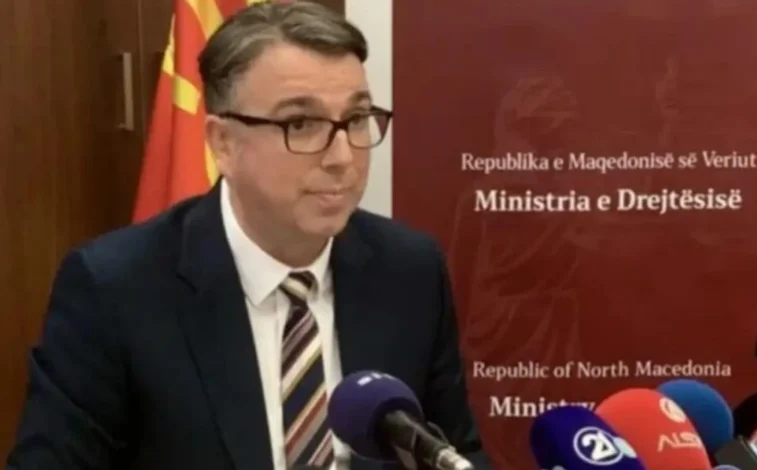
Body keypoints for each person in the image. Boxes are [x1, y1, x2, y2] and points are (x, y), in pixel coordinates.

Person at [5, 2, 490, 469]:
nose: (343, 157)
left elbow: (452, 451)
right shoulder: (116, 289)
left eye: (357, 119)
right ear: (224, 143)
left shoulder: (408, 271)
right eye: (301, 123)